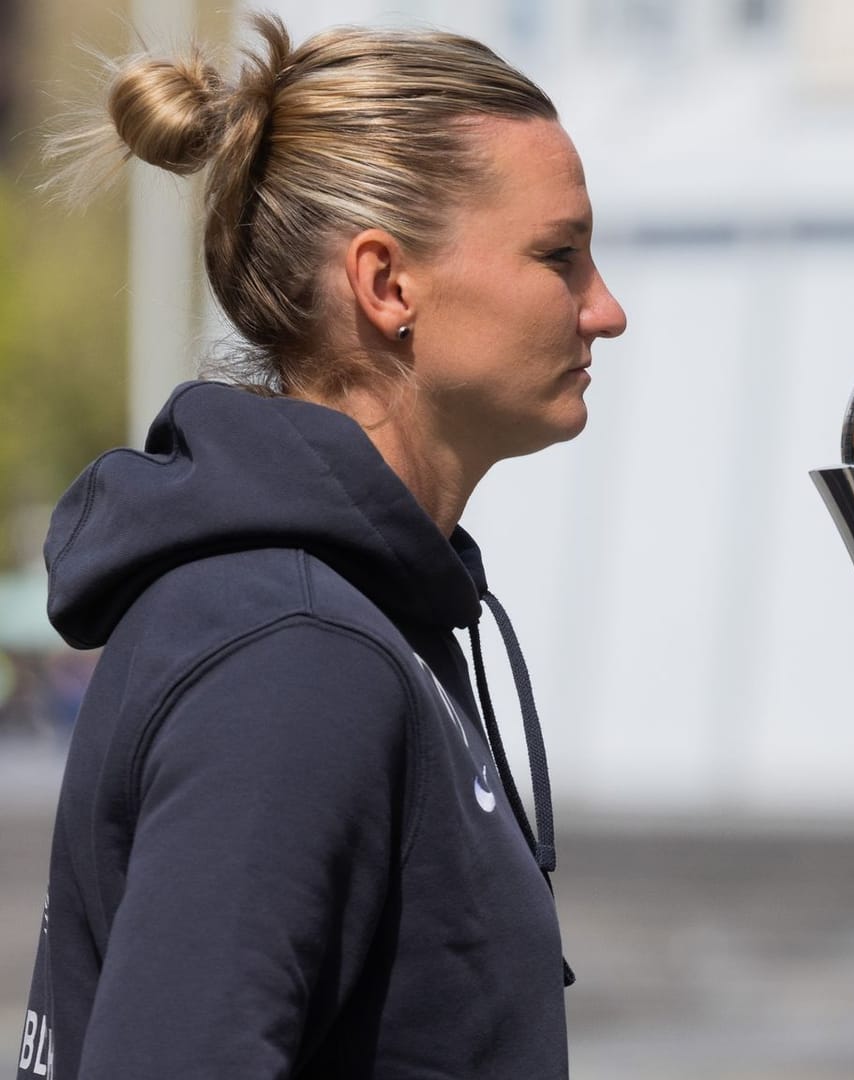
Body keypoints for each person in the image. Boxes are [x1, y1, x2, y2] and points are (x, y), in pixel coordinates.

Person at [17, 13, 625, 1078]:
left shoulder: (341, 620)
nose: (604, 309)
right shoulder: (295, 655)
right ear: (386, 284)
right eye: (560, 256)